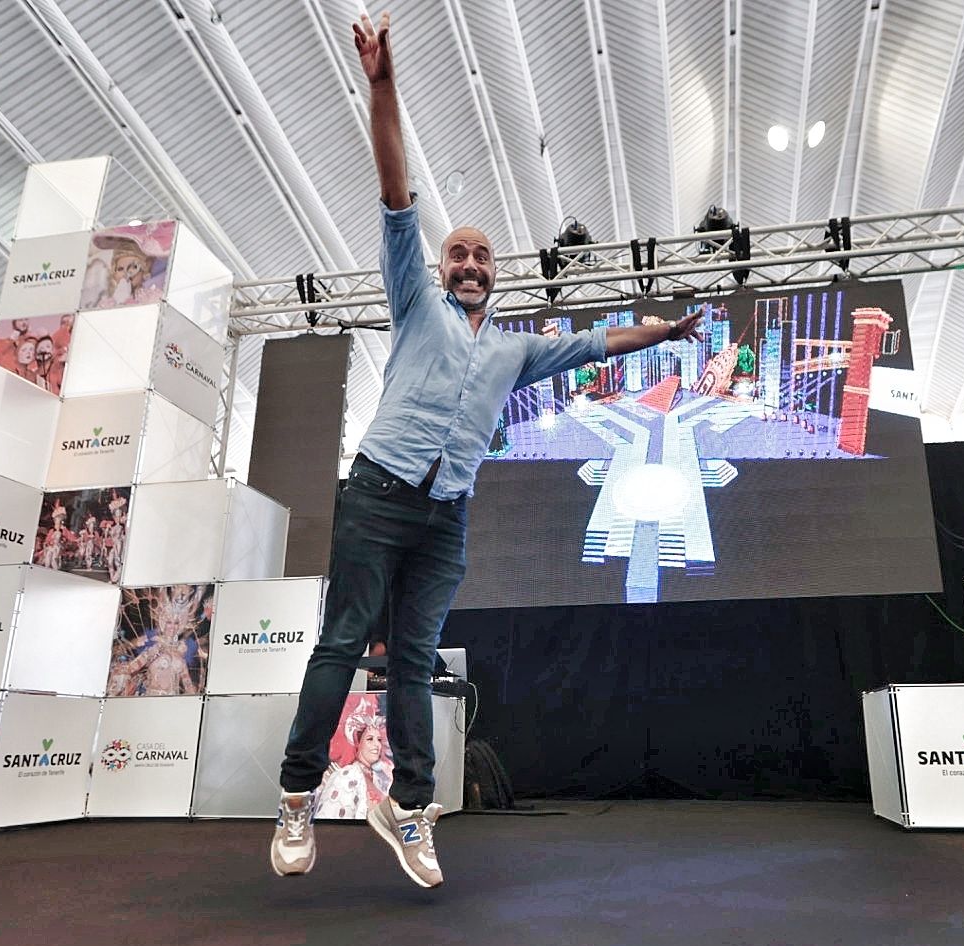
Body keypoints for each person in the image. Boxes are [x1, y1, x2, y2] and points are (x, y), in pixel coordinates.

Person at [270, 11, 705, 886]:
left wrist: (662, 331)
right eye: (457, 252)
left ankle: (412, 813)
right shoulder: (416, 302)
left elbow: (594, 345)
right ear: (439, 268)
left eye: (481, 255)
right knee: (342, 642)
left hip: (445, 518)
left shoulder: (515, 348)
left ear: (495, 275)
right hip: (378, 494)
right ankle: (294, 799)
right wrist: (382, 84)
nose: (467, 261)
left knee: (417, 666)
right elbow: (395, 190)